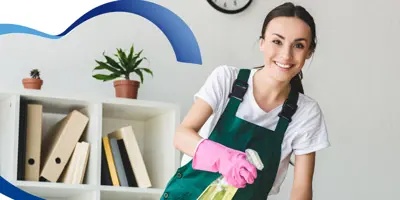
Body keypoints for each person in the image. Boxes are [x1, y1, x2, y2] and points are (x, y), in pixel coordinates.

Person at [161, 2, 330, 200]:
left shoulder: (306, 113)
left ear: (309, 52)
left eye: (298, 45)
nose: (286, 55)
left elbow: (301, 189)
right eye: (277, 41)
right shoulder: (227, 80)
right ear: (262, 42)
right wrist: (221, 158)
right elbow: (181, 136)